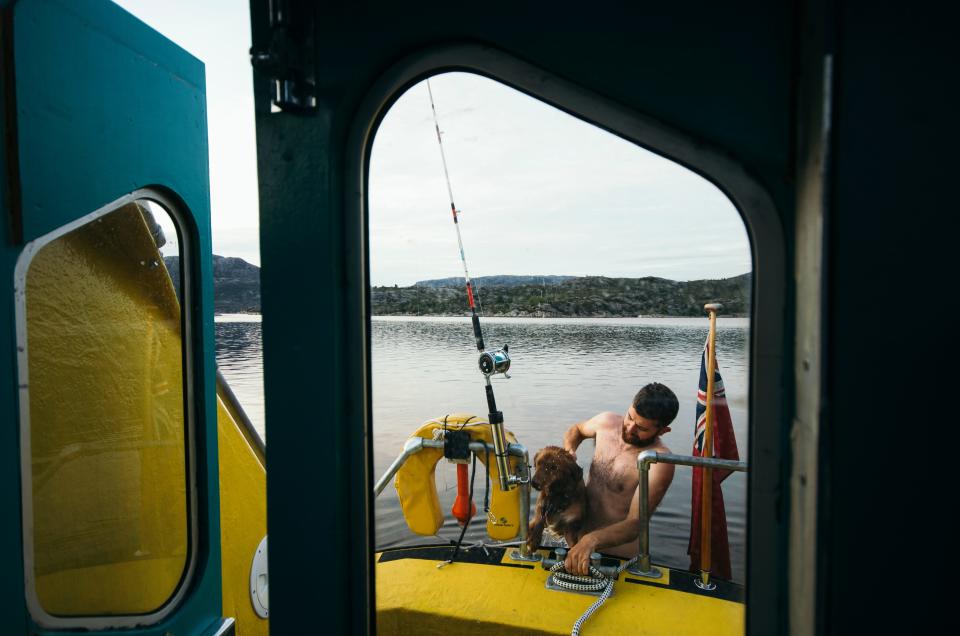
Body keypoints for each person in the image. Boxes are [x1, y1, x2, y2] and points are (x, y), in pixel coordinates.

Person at [561, 382, 679, 575]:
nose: (630, 428)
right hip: (575, 546)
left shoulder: (658, 461)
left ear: (663, 431)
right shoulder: (606, 422)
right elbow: (577, 430)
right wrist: (569, 451)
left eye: (641, 428)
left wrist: (591, 540)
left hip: (616, 560)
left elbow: (635, 524)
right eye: (630, 417)